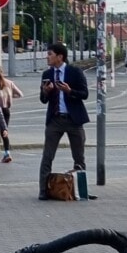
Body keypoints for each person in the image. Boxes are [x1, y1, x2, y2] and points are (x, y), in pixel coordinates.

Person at [38, 43, 89, 198]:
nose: (47, 56)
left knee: (79, 157)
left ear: (60, 57)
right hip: (55, 120)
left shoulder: (75, 72)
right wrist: (45, 92)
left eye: (50, 54)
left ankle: (81, 191)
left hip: (74, 120)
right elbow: (43, 100)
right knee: (47, 156)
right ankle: (43, 191)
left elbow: (84, 93)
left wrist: (69, 91)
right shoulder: (47, 74)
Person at [0, 64, 22, 164]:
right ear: (2, 72)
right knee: (4, 131)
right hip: (6, 110)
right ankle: (7, 153)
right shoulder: (9, 83)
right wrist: (9, 97)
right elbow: (20, 94)